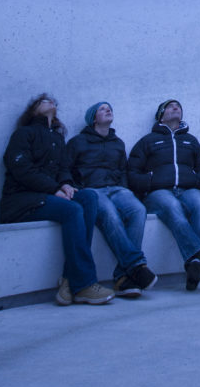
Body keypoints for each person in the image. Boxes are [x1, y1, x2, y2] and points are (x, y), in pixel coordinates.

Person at [0, 93, 114, 305]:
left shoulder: (57, 138)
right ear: (33, 111)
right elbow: (21, 168)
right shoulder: (24, 134)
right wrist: (54, 188)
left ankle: (70, 279)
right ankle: (84, 283)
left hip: (48, 195)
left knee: (88, 196)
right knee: (72, 210)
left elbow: (63, 169)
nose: (50, 102)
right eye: (43, 101)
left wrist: (66, 184)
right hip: (20, 201)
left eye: (52, 101)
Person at [67, 101, 157, 297]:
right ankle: (134, 267)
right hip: (92, 190)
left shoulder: (118, 143)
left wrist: (125, 190)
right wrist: (77, 189)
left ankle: (122, 276)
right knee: (110, 213)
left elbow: (123, 170)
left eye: (109, 108)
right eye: (102, 109)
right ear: (93, 118)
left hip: (117, 189)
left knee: (138, 210)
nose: (108, 110)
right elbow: (66, 169)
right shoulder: (77, 142)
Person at [128, 99, 200, 291]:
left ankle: (195, 265)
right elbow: (132, 172)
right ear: (161, 115)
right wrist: (150, 183)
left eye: (178, 107)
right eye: (170, 107)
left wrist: (195, 180)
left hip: (187, 190)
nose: (175, 108)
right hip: (158, 193)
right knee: (172, 207)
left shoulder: (190, 140)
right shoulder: (148, 140)